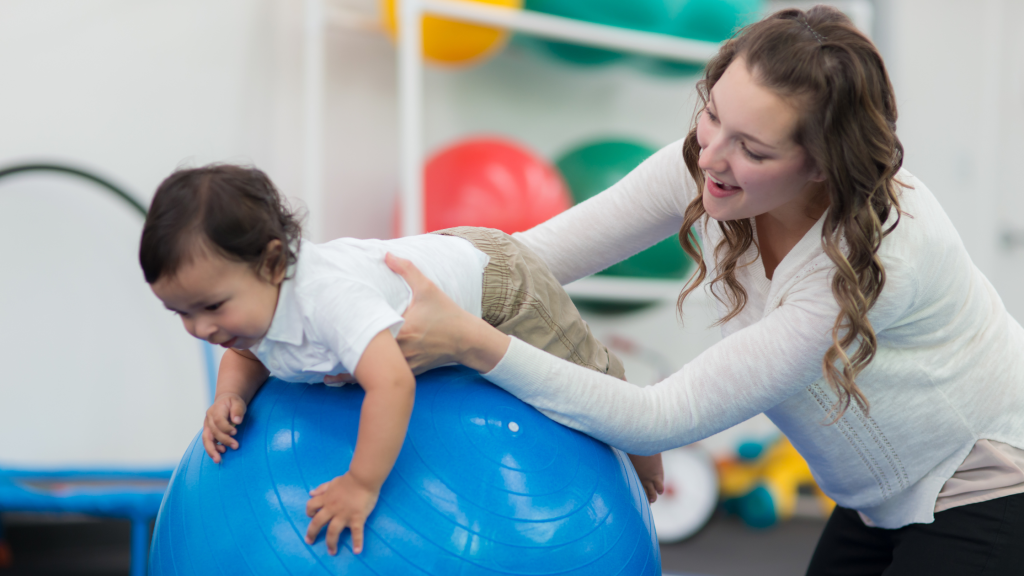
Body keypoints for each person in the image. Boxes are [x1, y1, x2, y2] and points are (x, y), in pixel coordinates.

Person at [377, 6, 1024, 575]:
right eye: (712, 114)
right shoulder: (702, 164)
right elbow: (528, 261)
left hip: (987, 484)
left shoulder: (873, 258)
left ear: (823, 163)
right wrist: (363, 280)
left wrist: (474, 343)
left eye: (753, 150)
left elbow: (660, 417)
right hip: (876, 497)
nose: (710, 156)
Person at [138, 164, 663, 557]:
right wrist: (229, 396)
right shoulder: (249, 308)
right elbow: (247, 351)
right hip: (432, 263)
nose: (201, 329)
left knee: (575, 366)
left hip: (496, 282)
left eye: (211, 307)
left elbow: (392, 385)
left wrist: (361, 484)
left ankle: (640, 435)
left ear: (274, 263)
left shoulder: (328, 302)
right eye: (181, 312)